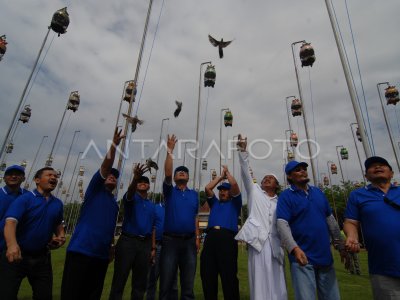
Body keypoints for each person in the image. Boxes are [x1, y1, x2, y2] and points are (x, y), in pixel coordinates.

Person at [61, 127, 125, 300]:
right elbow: (105, 167)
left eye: (115, 176)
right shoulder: (94, 190)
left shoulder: (114, 204)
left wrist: (111, 247)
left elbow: (110, 227)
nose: (112, 177)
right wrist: (114, 146)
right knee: (72, 294)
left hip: (100, 256)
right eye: (109, 175)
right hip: (81, 251)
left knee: (92, 295)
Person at [276, 160, 349, 300]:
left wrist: (340, 246)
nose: (303, 171)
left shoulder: (318, 193)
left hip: (325, 257)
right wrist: (294, 248)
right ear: (290, 176)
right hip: (302, 258)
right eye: (298, 169)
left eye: (304, 168)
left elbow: (330, 220)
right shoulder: (286, 196)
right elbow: (282, 224)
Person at [235, 135, 287, 300]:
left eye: (270, 179)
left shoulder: (281, 202)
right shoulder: (255, 191)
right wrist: (243, 151)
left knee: (277, 280)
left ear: (276, 185)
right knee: (258, 278)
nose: (266, 179)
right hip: (258, 242)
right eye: (265, 177)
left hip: (276, 244)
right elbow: (245, 171)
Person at [0, 167, 65, 300]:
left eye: (55, 176)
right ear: (37, 180)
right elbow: (10, 222)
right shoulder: (25, 199)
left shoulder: (58, 203)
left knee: (44, 296)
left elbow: (58, 224)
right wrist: (12, 245)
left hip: (42, 259)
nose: (53, 177)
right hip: (18, 256)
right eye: (49, 175)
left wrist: (61, 236)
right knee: (6, 294)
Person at [344, 156, 400, 299]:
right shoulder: (357, 195)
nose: (377, 167)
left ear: (391, 173)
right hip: (383, 268)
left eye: (382, 165)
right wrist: (352, 236)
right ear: (366, 176)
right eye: (372, 166)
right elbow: (350, 222)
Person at [159, 134, 200, 300]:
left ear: (188, 177)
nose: (182, 172)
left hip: (189, 242)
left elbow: (195, 217)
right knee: (167, 284)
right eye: (179, 172)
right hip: (170, 242)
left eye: (185, 172)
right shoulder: (169, 192)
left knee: (188, 287)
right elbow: (167, 172)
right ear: (175, 178)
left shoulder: (194, 195)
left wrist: (197, 238)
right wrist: (170, 150)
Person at [109, 163, 157, 300]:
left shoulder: (151, 206)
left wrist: (153, 248)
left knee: (140, 283)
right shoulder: (131, 198)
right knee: (119, 280)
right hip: (128, 241)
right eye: (140, 182)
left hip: (145, 244)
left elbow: (153, 227)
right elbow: (129, 193)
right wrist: (135, 178)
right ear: (136, 185)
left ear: (149, 186)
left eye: (145, 182)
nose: (142, 183)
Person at [200, 165, 242, 300]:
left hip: (227, 239)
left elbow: (234, 184)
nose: (222, 192)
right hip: (211, 238)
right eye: (221, 190)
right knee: (208, 274)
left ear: (230, 193)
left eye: (225, 190)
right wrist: (220, 178)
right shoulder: (215, 203)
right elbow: (207, 188)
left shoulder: (235, 203)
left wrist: (227, 174)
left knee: (228, 275)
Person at [146, 200, 178, 300]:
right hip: (158, 245)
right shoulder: (155, 208)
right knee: (153, 277)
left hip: (172, 246)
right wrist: (153, 247)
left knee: (173, 279)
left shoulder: (174, 209)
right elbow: (153, 227)